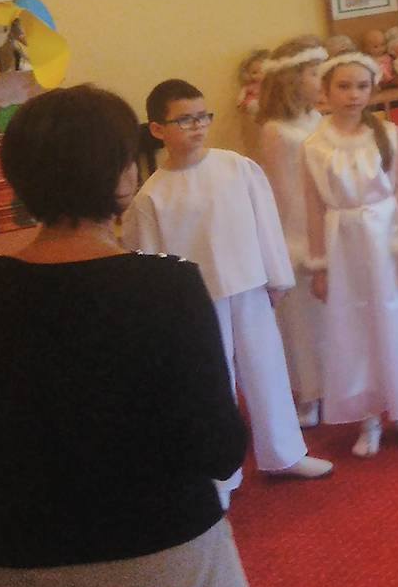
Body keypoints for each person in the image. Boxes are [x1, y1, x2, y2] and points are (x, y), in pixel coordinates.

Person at [0, 86, 259, 587]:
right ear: (122, 174)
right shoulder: (168, 285)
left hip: (30, 566)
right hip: (169, 555)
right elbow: (220, 450)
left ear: (18, 178)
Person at [126, 79, 333, 495]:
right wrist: (164, 314)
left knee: (266, 369)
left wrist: (277, 276)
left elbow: (265, 223)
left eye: (202, 117)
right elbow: (149, 263)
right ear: (158, 129)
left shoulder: (237, 167)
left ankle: (284, 452)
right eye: (184, 120)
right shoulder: (151, 197)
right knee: (211, 384)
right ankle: (220, 473)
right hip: (195, 303)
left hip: (249, 285)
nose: (197, 126)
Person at [300, 53, 398, 455]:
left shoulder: (387, 134)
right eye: (344, 86)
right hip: (343, 245)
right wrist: (320, 267)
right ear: (326, 91)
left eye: (362, 86)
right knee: (354, 326)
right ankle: (368, 416)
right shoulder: (313, 146)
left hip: (386, 240)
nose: (353, 95)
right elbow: (313, 208)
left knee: (395, 319)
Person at [252, 35, 329, 426]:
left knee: (329, 315)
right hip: (298, 231)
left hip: (326, 221)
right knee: (302, 319)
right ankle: (307, 392)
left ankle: (333, 383)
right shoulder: (276, 130)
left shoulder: (318, 120)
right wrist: (295, 242)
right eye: (314, 73)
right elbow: (282, 193)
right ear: (292, 79)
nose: (321, 80)